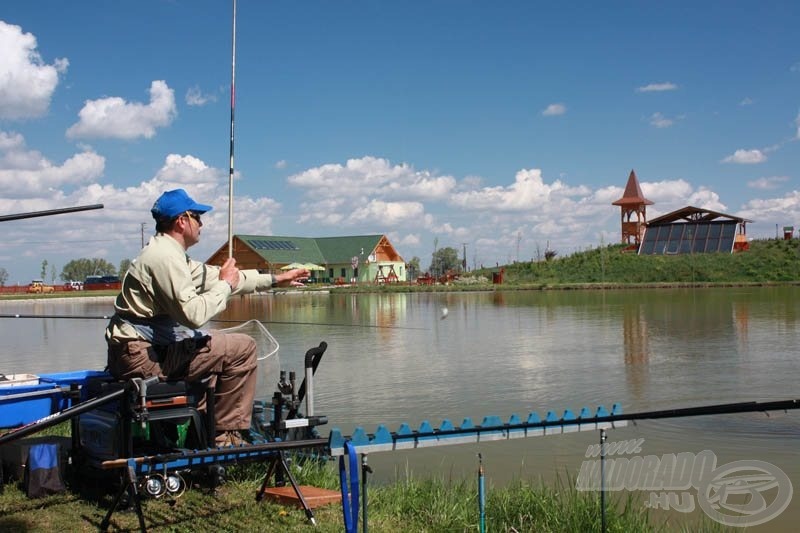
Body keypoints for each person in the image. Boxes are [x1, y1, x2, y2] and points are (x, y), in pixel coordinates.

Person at [105, 188, 309, 447]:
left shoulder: (171, 254)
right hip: (143, 357)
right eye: (197, 216)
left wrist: (275, 279)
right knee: (243, 348)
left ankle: (201, 436)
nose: (201, 223)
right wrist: (225, 285)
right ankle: (224, 439)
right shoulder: (164, 258)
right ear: (182, 220)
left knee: (215, 351)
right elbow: (194, 315)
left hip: (141, 352)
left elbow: (218, 277)